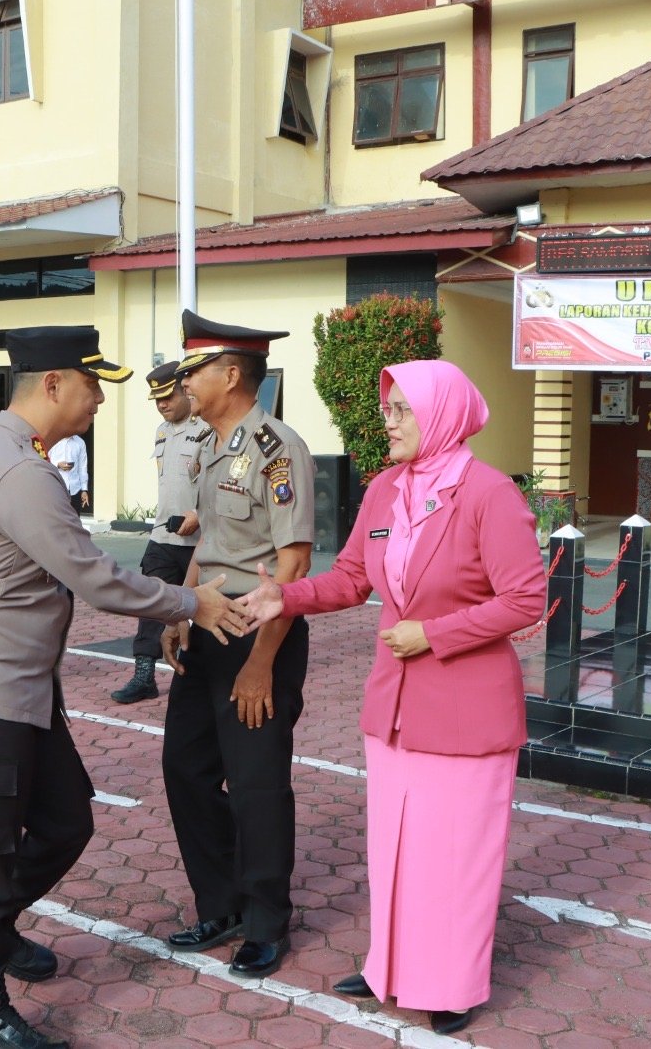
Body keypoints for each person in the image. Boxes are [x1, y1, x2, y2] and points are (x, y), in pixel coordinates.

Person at [0, 326, 250, 1049]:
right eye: (93, 384)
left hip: (22, 692)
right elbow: (94, 576)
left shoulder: (20, 456)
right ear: (53, 384)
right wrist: (194, 603)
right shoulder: (19, 470)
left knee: (67, 821)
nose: (101, 398)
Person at [239, 359, 546, 1036]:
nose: (389, 422)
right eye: (388, 409)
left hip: (466, 711)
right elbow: (351, 578)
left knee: (456, 858)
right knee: (397, 851)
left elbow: (526, 598)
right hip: (396, 711)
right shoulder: (385, 490)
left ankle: (452, 985)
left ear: (441, 414)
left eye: (403, 410)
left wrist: (434, 634)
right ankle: (392, 969)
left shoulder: (489, 494)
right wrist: (284, 597)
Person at [159, 309, 315, 980]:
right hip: (207, 628)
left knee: (255, 784)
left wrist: (260, 663)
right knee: (184, 768)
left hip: (259, 635)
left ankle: (265, 920)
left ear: (231, 373)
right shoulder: (209, 445)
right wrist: (180, 607)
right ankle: (219, 902)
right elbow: (210, 544)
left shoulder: (280, 448)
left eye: (194, 370)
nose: (184, 381)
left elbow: (295, 564)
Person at [111, 361, 203, 704]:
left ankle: (208, 673)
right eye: (157, 399)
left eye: (168, 396)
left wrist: (200, 514)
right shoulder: (161, 431)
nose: (162, 404)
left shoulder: (207, 428)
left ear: (184, 390)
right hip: (163, 537)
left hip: (200, 539)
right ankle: (144, 676)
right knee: (152, 605)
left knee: (206, 607)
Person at [48, 432, 88, 513]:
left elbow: (82, 467)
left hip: (75, 489)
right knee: (58, 520)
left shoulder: (80, 442)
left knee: (75, 520)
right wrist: (57, 465)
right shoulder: (52, 440)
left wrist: (84, 490)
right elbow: (43, 460)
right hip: (56, 487)